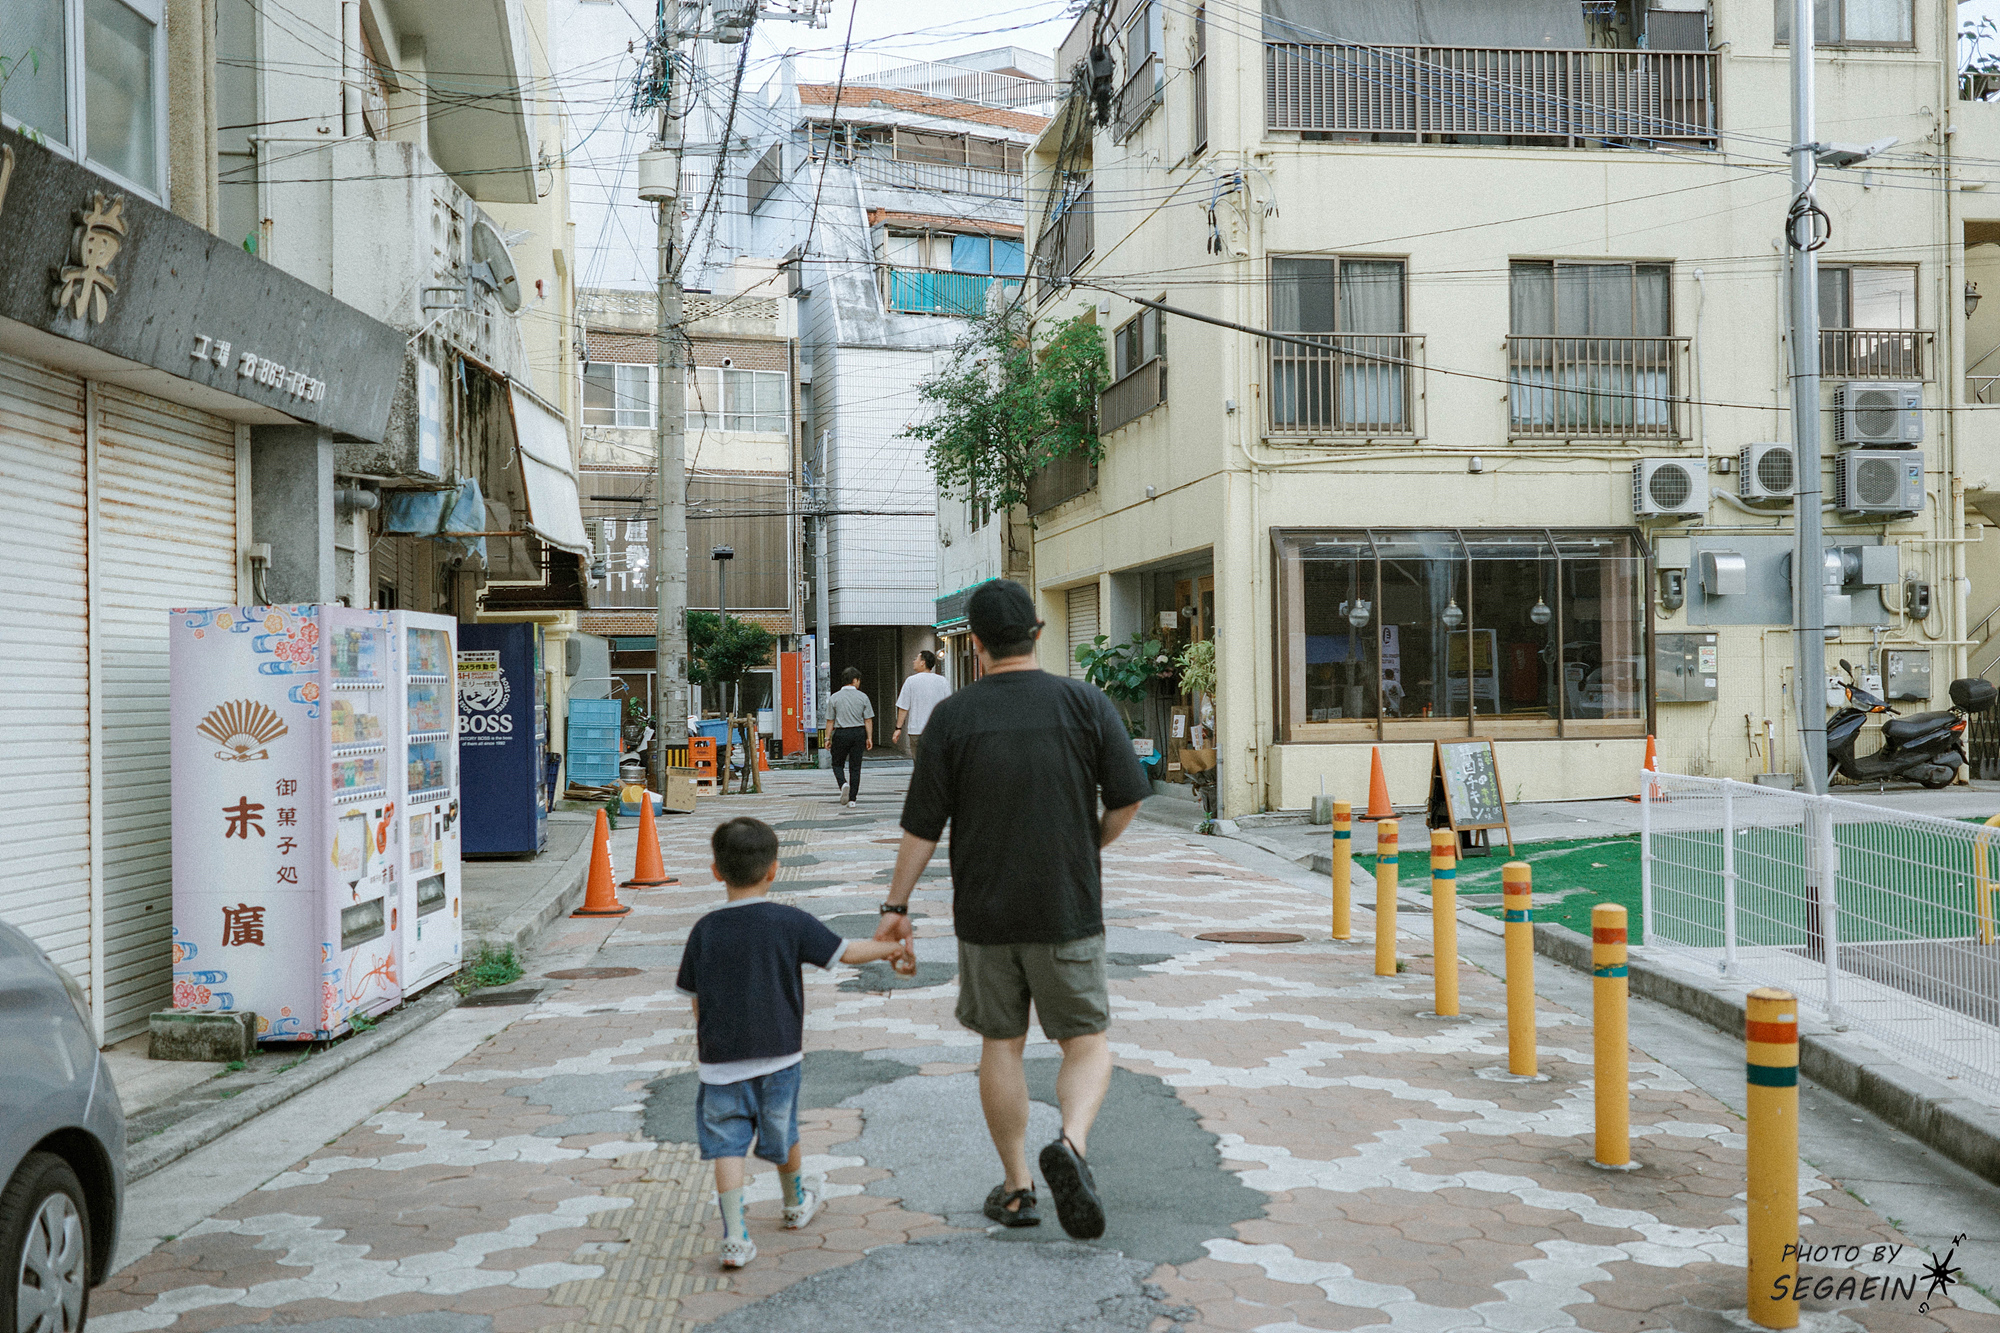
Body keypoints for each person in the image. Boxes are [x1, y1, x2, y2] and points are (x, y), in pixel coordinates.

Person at [874, 579, 1151, 1239]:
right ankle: (1072, 1143)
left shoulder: (954, 717)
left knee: (1001, 1043)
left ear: (974, 643)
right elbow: (1127, 797)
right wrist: (1086, 843)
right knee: (1086, 1043)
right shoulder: (1085, 702)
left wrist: (896, 905)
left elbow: (921, 827)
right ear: (1037, 632)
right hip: (1066, 907)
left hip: (985, 914)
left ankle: (1019, 1187)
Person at [676, 817, 911, 1270]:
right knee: (783, 1130)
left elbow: (695, 999)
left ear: (716, 871)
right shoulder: (790, 921)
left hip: (720, 1063)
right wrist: (891, 949)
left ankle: (735, 1236)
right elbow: (846, 952)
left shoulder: (705, 930)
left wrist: (710, 1039)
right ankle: (795, 1202)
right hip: (780, 1054)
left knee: (727, 1146)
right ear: (774, 870)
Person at [891, 649, 952, 763]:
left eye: (916, 659)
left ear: (923, 662)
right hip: (937, 731)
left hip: (916, 731)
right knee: (936, 762)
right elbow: (948, 707)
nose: (914, 661)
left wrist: (898, 728)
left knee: (919, 763)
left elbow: (903, 707)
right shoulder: (942, 681)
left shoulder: (911, 681)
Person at [824, 667, 873, 807]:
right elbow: (868, 719)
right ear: (855, 680)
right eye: (859, 680)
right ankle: (852, 800)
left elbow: (830, 721)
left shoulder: (834, 697)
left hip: (841, 733)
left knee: (837, 764)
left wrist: (827, 738)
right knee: (855, 767)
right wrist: (869, 737)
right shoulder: (863, 697)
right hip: (858, 733)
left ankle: (843, 784)